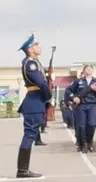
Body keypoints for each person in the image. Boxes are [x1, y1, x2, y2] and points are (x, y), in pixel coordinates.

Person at [16, 34, 48, 179]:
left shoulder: (35, 63)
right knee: (29, 135)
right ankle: (22, 170)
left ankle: (23, 169)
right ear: (30, 50)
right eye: (36, 44)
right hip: (34, 102)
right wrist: (49, 97)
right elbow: (41, 84)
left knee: (30, 135)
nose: (39, 46)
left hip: (35, 101)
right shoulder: (30, 64)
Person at [66, 64, 96, 152]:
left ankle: (90, 141)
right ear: (84, 71)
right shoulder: (78, 81)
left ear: (93, 71)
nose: (88, 70)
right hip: (81, 105)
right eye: (87, 68)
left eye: (90, 69)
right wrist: (73, 98)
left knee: (92, 124)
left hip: (92, 105)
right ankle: (83, 143)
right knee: (81, 125)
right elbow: (68, 90)